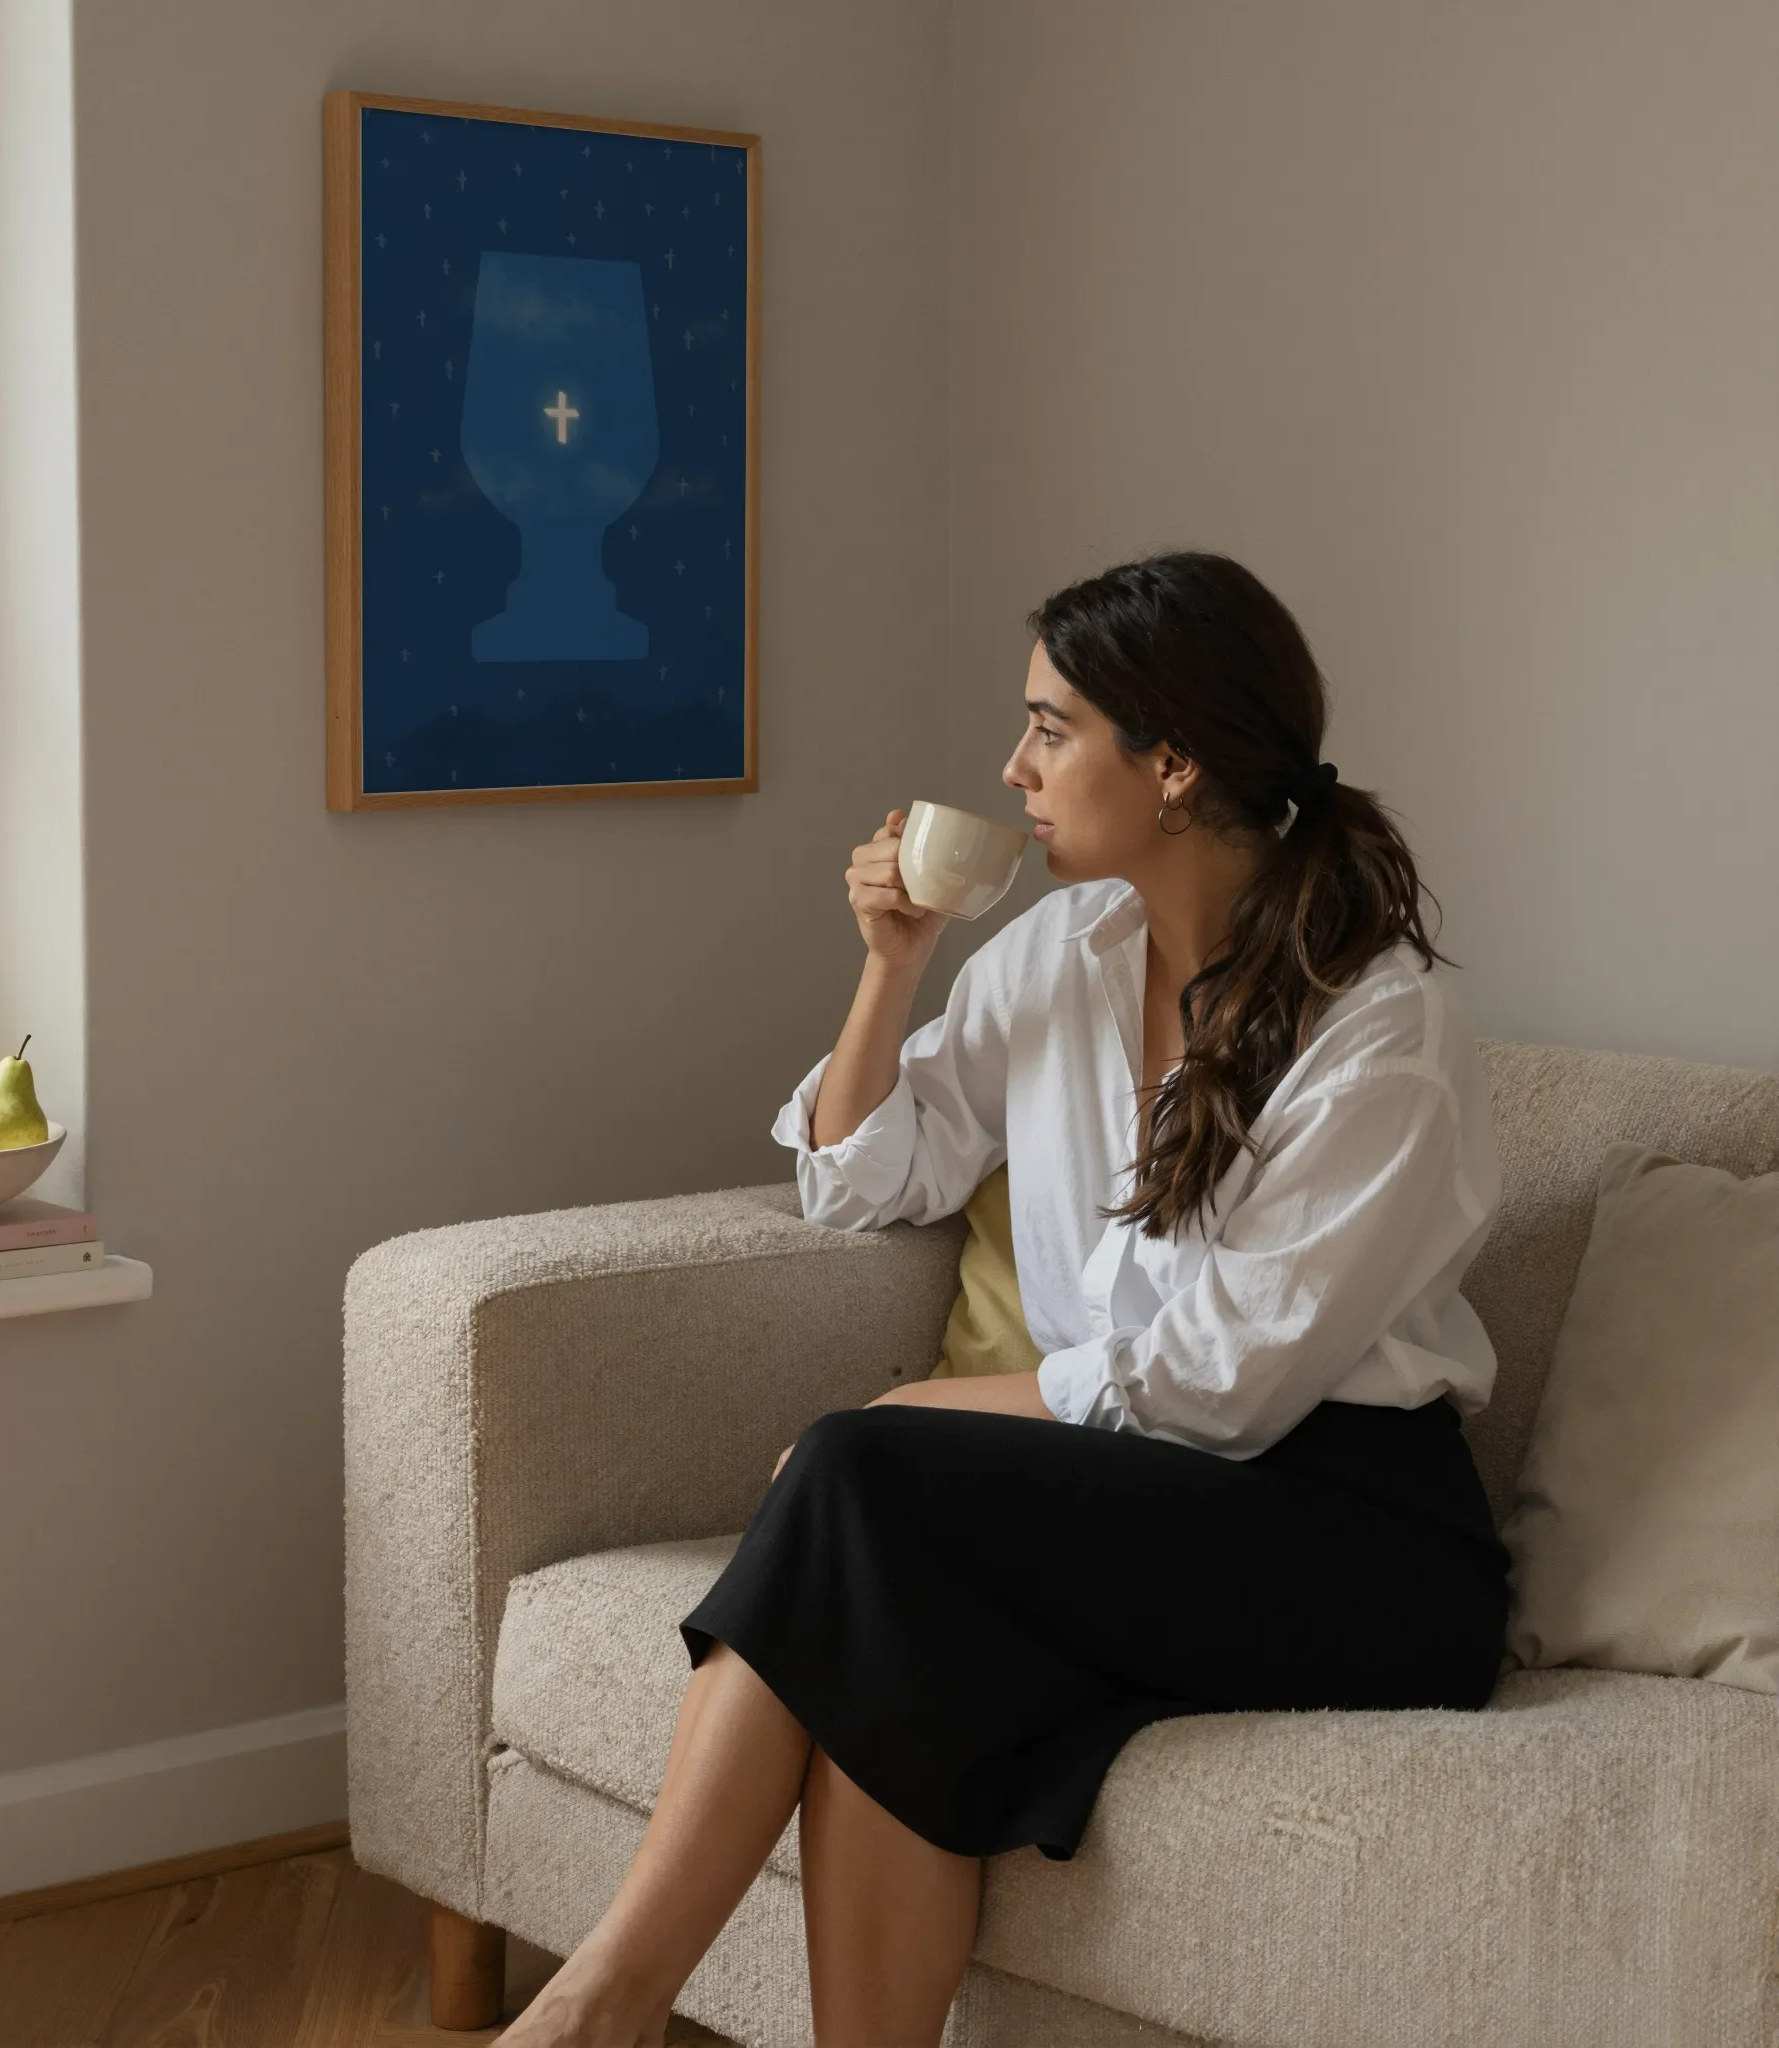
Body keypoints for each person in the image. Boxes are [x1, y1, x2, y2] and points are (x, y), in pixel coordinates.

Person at [495, 551, 1513, 2048]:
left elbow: (1218, 1383)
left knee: (857, 1472)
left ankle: (604, 2006)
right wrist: (891, 967)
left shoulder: (1382, 1034)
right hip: (1137, 1503)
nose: (1010, 766)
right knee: (887, 1644)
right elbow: (860, 1182)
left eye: (1050, 727)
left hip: (1350, 1542)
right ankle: (620, 2011)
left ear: (1170, 765)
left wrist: (914, 1417)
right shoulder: (1057, 956)